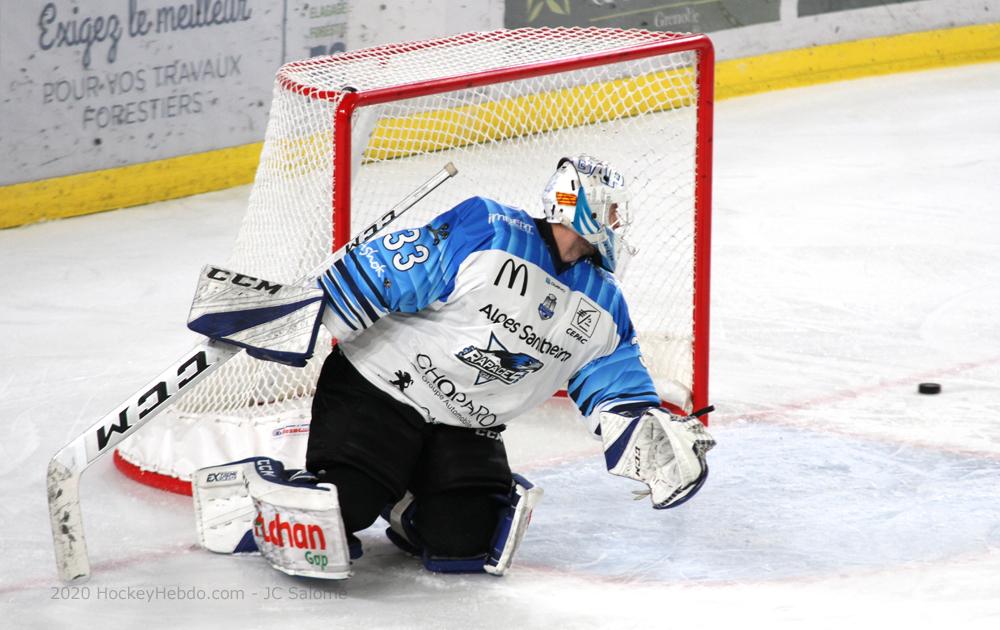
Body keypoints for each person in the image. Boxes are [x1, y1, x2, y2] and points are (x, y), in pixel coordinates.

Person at [190, 155, 715, 579]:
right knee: (338, 513)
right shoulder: (489, 229)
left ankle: (403, 495)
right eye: (613, 211)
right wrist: (292, 311)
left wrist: (650, 437)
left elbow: (615, 387)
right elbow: (391, 271)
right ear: (579, 207)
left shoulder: (605, 304)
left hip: (464, 425)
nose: (619, 225)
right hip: (380, 391)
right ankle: (250, 490)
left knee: (467, 543)